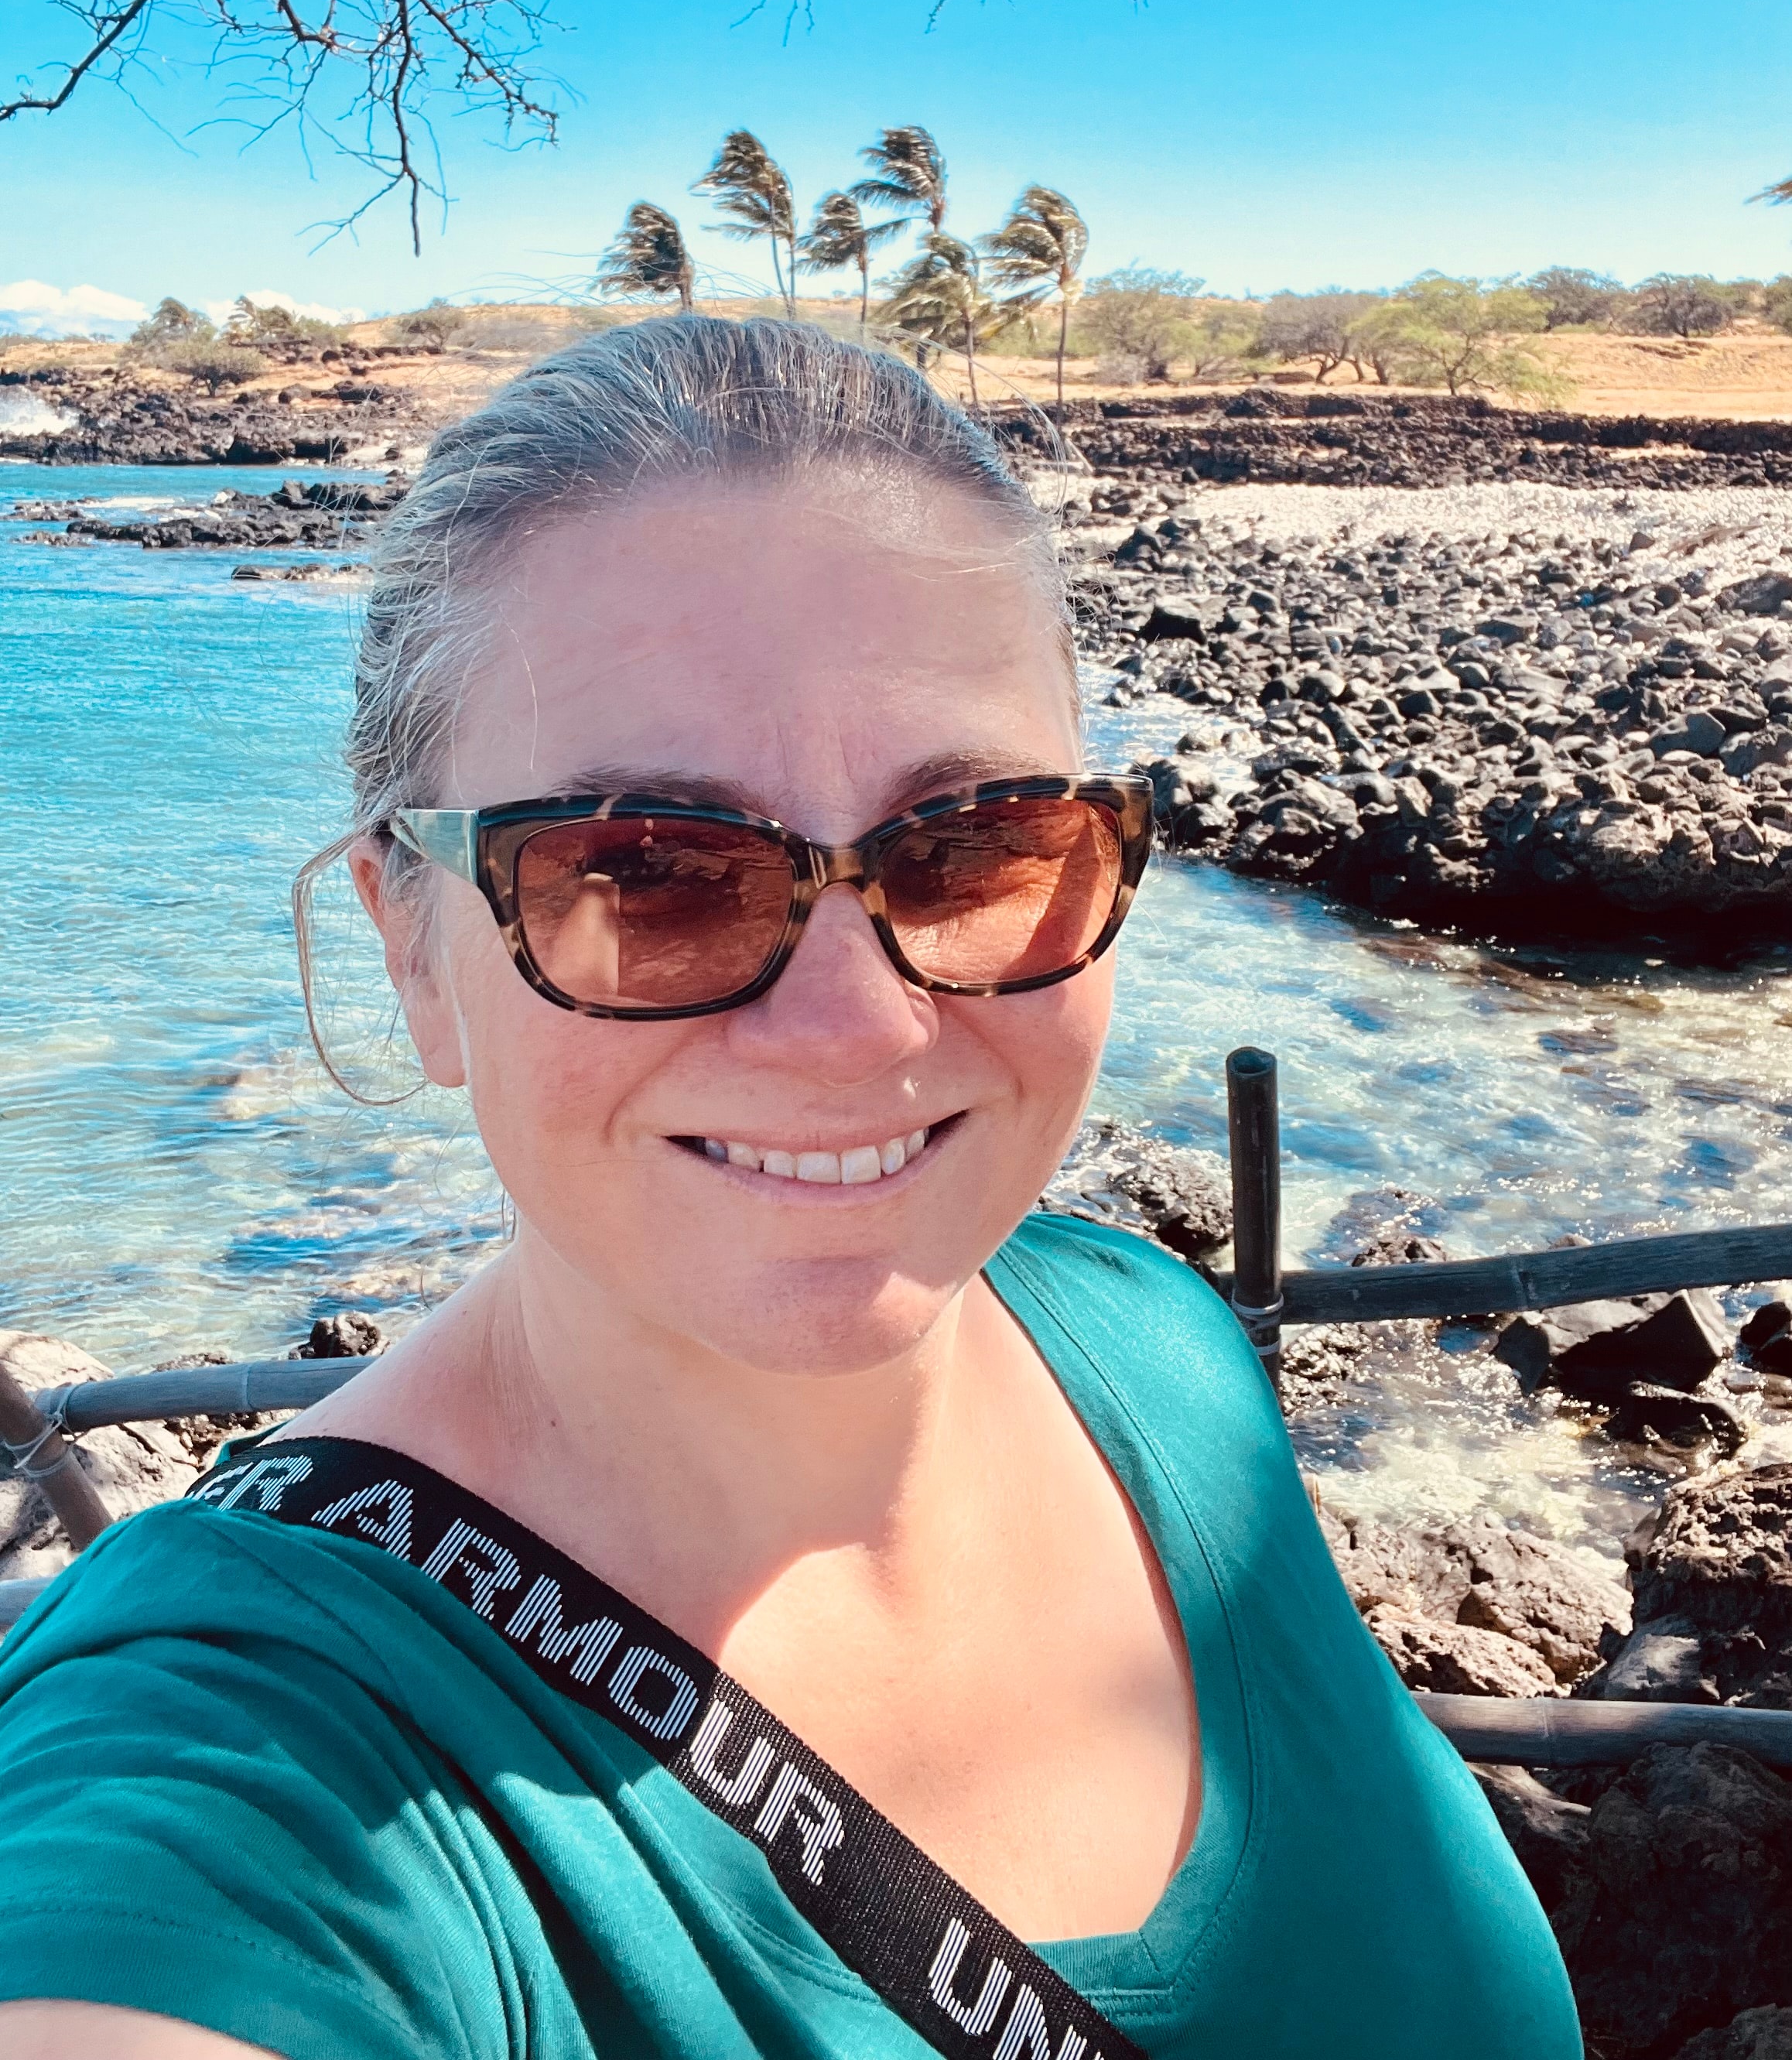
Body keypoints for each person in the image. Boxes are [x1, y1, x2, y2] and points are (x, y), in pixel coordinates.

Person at [0, 318, 1582, 2059]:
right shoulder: (259, 1766)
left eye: (975, 842)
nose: (857, 1025)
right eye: (649, 871)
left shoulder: (1159, 1344)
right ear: (413, 946)